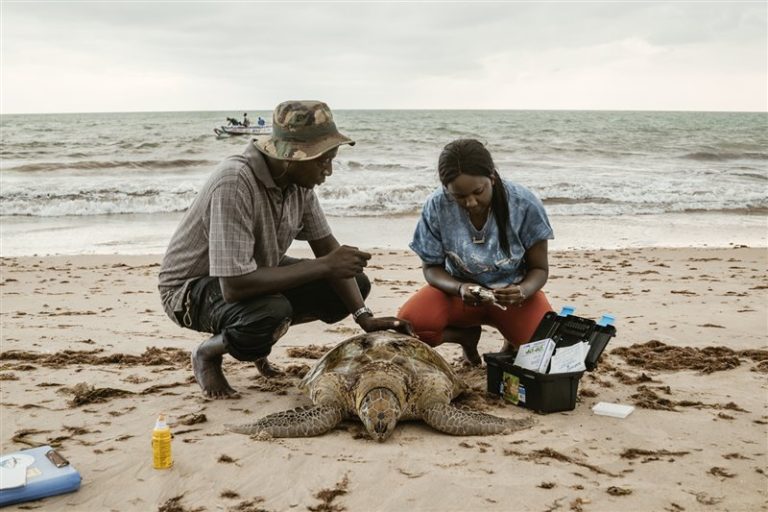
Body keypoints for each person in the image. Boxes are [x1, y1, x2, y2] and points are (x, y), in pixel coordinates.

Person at [159, 100, 411, 399]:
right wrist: (325, 266)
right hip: (190, 290)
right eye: (323, 160)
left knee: (353, 281)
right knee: (269, 312)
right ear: (292, 157)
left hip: (253, 277)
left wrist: (364, 316)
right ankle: (208, 353)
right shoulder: (235, 182)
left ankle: (258, 336)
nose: (328, 171)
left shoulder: (299, 186)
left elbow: (327, 249)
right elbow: (234, 286)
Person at [397, 138, 554, 365]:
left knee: (543, 345)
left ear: (491, 177)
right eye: (458, 196)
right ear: (446, 189)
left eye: (478, 192)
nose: (470, 202)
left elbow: (539, 269)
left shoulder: (523, 204)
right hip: (458, 297)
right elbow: (431, 268)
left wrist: (522, 290)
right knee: (410, 327)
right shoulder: (436, 205)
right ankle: (466, 337)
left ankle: (511, 343)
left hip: (512, 298)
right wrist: (460, 288)